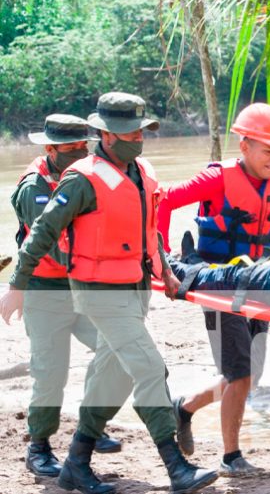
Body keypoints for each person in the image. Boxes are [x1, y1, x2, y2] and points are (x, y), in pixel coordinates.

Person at [0, 92, 217, 494]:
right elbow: (43, 232)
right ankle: (176, 468)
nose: (138, 138)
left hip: (133, 289)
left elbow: (147, 230)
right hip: (95, 291)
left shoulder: (141, 172)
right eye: (129, 132)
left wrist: (166, 272)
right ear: (107, 136)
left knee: (112, 374)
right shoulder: (82, 178)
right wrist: (17, 285)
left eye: (141, 130)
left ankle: (76, 464)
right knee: (150, 368)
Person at [157, 102, 270, 475]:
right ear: (244, 147)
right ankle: (231, 457)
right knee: (239, 373)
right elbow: (165, 200)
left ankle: (184, 408)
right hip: (217, 285)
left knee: (250, 373)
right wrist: (159, 255)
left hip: (259, 283)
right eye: (266, 150)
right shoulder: (217, 178)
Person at [10, 114, 122, 479]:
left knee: (115, 349)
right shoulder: (34, 187)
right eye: (69, 148)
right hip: (45, 289)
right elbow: (50, 243)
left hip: (83, 285)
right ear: (50, 149)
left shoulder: (91, 175)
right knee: (50, 371)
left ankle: (91, 425)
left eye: (82, 146)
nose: (78, 153)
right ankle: (38, 447)